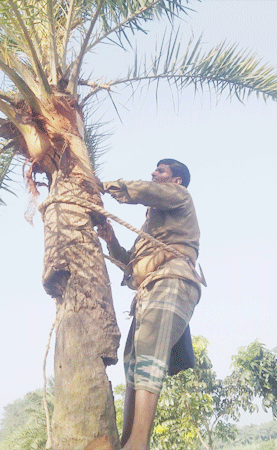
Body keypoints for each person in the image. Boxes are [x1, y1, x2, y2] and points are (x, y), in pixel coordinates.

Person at [97, 159, 202, 450]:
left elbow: (144, 190)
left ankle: (138, 443)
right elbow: (130, 265)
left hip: (172, 280)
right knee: (133, 362)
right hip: (149, 288)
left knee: (148, 357)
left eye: (161, 171)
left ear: (176, 181)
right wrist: (111, 241)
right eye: (155, 171)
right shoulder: (153, 225)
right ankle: (127, 440)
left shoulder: (180, 197)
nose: (154, 174)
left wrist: (104, 186)